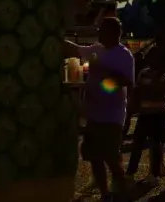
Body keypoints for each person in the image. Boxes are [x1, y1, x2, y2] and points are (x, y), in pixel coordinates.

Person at [63, 16, 135, 200]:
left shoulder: (124, 55)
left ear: (113, 33)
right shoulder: (96, 49)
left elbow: (126, 82)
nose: (99, 33)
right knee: (94, 156)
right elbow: (76, 49)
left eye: (102, 30)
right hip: (93, 113)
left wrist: (104, 73)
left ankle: (123, 192)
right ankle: (105, 194)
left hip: (112, 115)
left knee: (111, 157)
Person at [126, 48, 165, 185]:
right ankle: (130, 173)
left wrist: (149, 86)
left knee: (155, 145)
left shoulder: (164, 75)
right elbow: (138, 90)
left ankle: (154, 175)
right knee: (137, 144)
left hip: (158, 114)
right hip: (144, 113)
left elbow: (159, 92)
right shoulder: (143, 72)